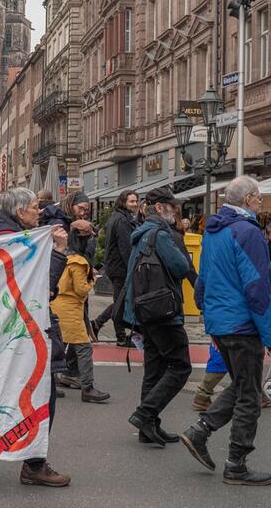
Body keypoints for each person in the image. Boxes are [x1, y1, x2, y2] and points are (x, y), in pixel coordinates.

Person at [179, 175, 271, 486]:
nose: (261, 203)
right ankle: (236, 462)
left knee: (243, 384)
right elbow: (257, 287)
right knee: (249, 394)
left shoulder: (213, 231)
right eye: (259, 198)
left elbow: (203, 279)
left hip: (222, 321)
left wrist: (210, 321)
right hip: (243, 323)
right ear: (248, 199)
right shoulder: (248, 232)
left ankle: (201, 430)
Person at [0, 187, 71, 487]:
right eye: (34, 207)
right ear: (19, 212)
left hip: (0, 329)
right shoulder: (14, 241)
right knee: (42, 395)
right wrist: (58, 252)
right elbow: (41, 289)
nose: (39, 212)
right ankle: (34, 465)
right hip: (20, 333)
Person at [122, 187, 192, 447]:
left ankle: (149, 427)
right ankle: (145, 415)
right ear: (160, 208)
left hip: (145, 311)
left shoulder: (141, 233)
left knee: (154, 369)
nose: (175, 211)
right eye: (172, 207)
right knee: (180, 366)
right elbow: (181, 266)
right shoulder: (160, 234)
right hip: (162, 311)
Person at [52, 225, 110, 403]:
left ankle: (52, 384)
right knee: (84, 348)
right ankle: (88, 388)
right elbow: (80, 290)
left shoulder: (63, 256)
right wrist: (92, 280)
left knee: (57, 347)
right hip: (70, 309)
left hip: (57, 305)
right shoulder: (79, 261)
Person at [92, 190, 139, 346]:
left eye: (136, 201)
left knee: (121, 300)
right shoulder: (122, 220)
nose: (135, 204)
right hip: (120, 268)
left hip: (115, 266)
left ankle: (101, 325)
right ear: (123, 202)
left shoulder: (119, 217)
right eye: (131, 201)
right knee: (121, 301)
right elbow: (126, 247)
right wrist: (132, 268)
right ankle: (116, 334)